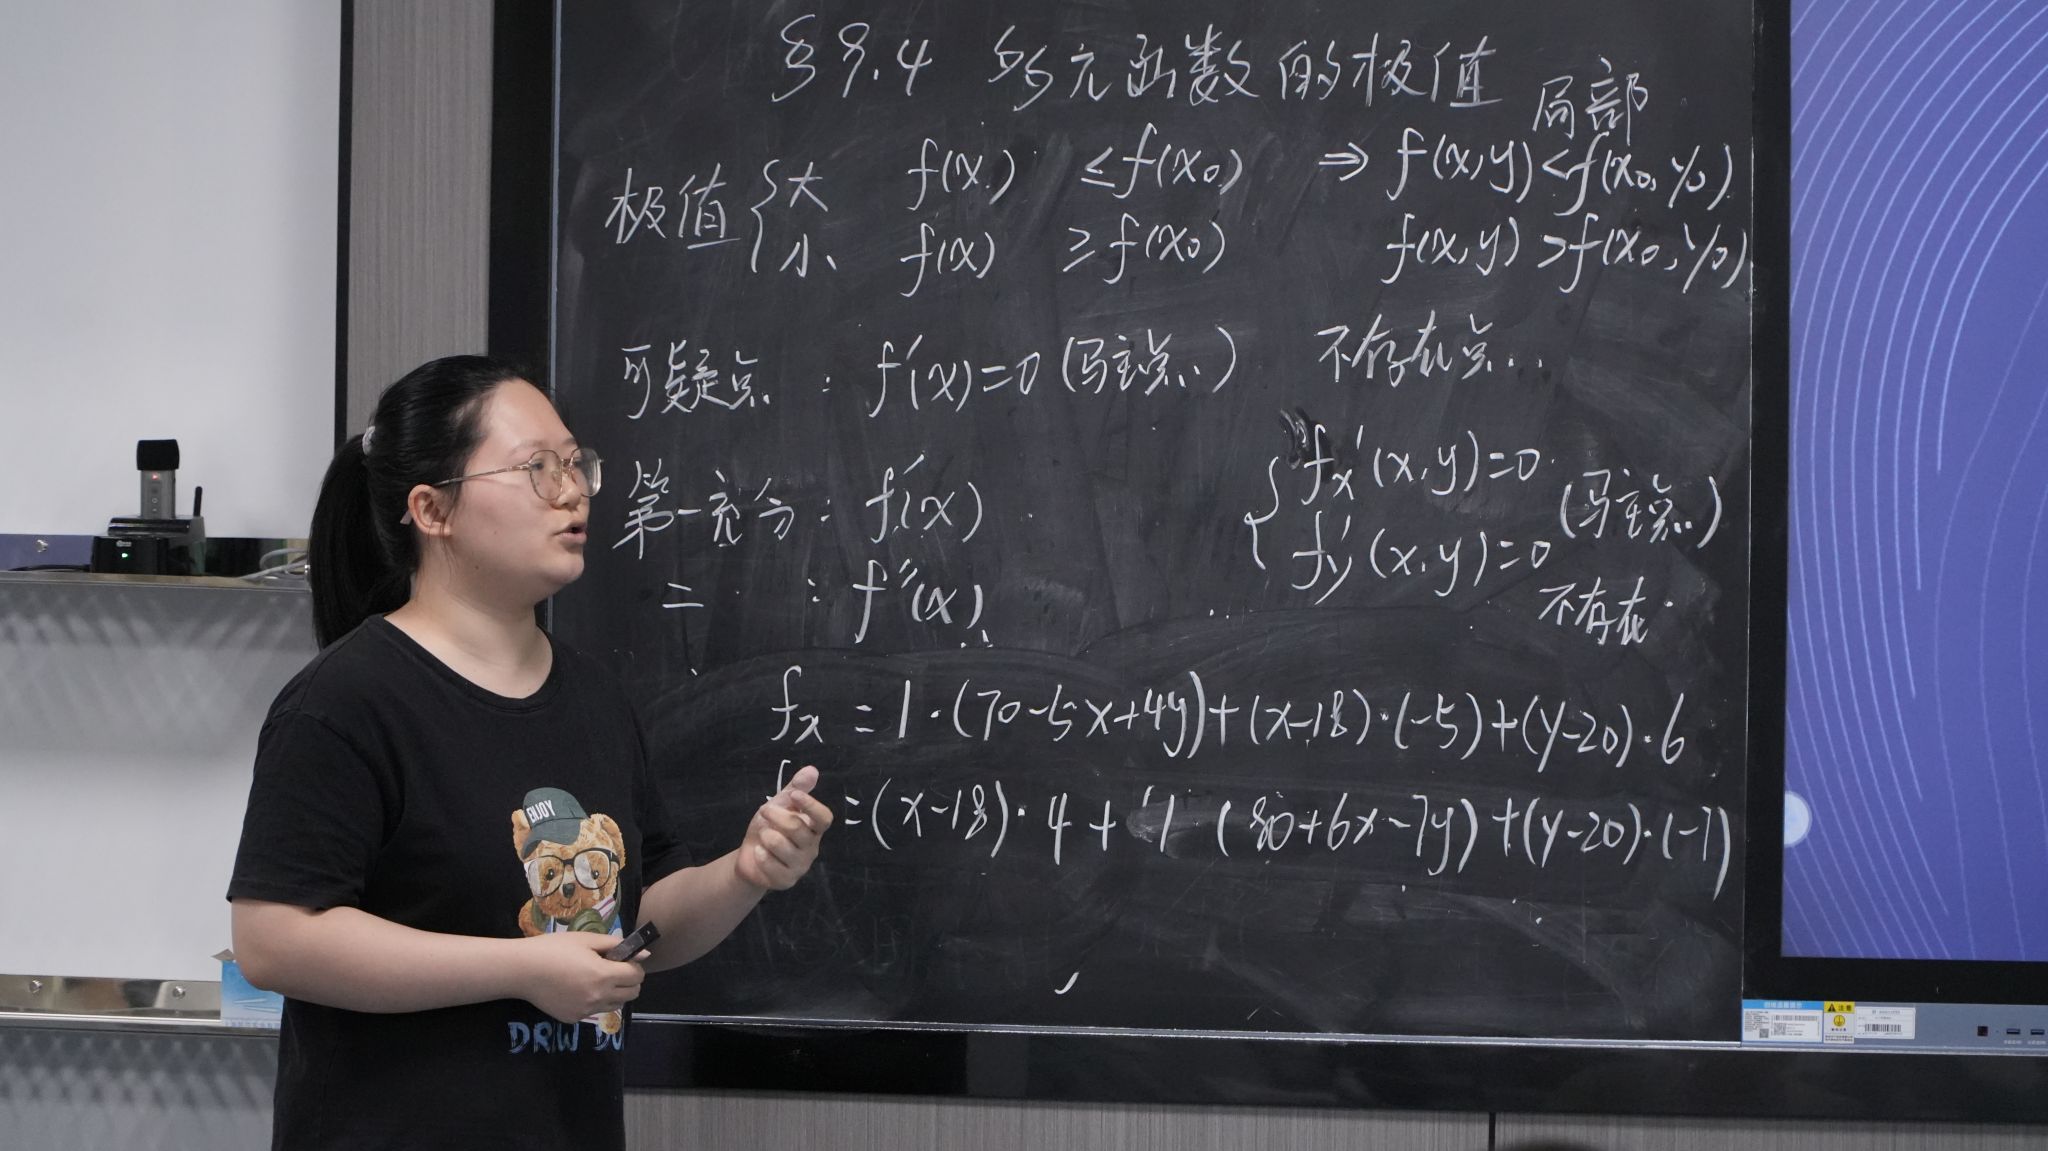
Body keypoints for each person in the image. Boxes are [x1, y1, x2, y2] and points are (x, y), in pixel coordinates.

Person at [226, 354, 833, 1150]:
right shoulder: (346, 701)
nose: (573, 490)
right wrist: (521, 967)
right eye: (537, 468)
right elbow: (274, 939)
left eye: (576, 464)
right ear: (432, 509)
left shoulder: (595, 699)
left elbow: (638, 920)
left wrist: (745, 872)